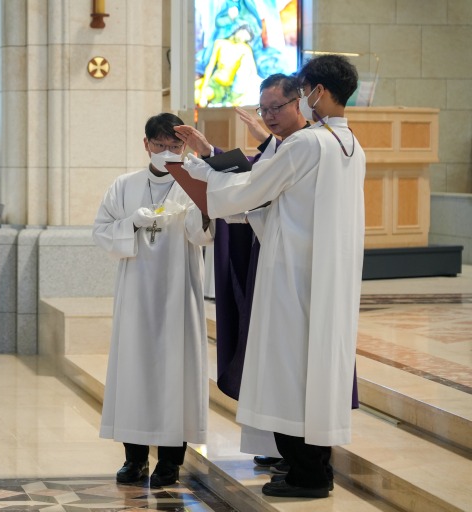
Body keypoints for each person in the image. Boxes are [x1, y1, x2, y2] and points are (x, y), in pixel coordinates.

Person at [175, 54, 366, 499]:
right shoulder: (352, 145)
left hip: (291, 275)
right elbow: (283, 201)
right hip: (327, 277)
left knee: (287, 370)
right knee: (314, 371)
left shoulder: (308, 144)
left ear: (317, 92)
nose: (304, 97)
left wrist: (198, 173)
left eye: (304, 90)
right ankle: (310, 466)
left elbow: (252, 189)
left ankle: (308, 475)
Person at [186, 74, 310, 471]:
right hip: (269, 256)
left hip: (294, 265)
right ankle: (278, 446)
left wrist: (213, 173)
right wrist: (211, 154)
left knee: (284, 357)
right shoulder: (283, 146)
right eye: (264, 109)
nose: (268, 116)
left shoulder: (308, 146)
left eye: (276, 108)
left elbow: (253, 184)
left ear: (299, 102)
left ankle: (298, 454)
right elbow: (252, 174)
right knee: (265, 353)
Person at [93, 113, 212, 488]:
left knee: (176, 372)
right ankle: (135, 459)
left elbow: (201, 233)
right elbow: (101, 230)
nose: (166, 152)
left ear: (185, 146)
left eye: (174, 146)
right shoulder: (124, 185)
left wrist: (205, 208)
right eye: (159, 145)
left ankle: (170, 463)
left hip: (178, 289)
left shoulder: (192, 182)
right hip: (137, 292)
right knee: (135, 370)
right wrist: (132, 222)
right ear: (146, 144)